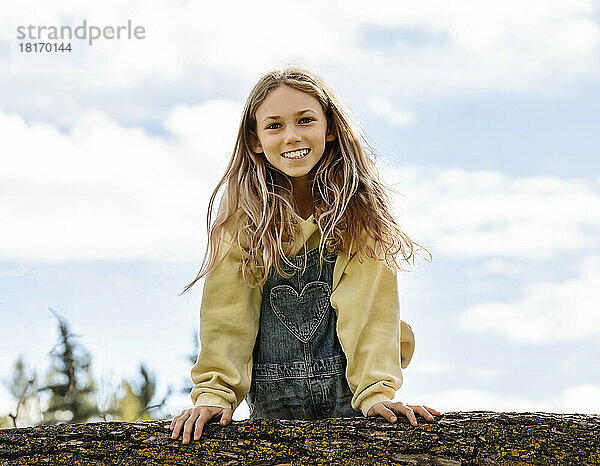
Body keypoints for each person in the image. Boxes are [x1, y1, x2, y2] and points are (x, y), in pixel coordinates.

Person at [169, 66, 441, 444]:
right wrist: (216, 394)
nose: (292, 135)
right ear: (255, 141)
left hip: (351, 402)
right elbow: (227, 316)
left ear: (329, 128)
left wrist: (377, 392)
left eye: (305, 120)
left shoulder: (359, 216)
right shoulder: (241, 222)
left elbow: (371, 312)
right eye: (275, 125)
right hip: (272, 410)